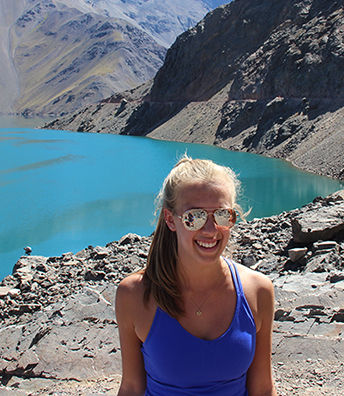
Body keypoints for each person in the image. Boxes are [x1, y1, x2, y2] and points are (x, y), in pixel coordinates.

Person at [115, 156, 277, 396]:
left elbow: (263, 388)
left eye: (222, 215)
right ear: (171, 220)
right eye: (194, 217)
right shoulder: (135, 295)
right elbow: (131, 387)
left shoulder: (258, 291)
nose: (210, 230)